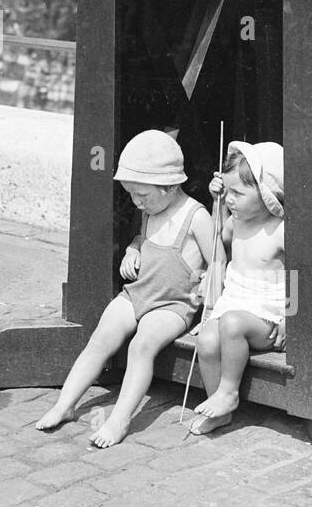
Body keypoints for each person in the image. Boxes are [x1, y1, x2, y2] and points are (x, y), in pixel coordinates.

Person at [35, 130, 218, 446]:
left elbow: (219, 260)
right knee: (100, 338)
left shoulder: (196, 216)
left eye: (142, 196)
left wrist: (209, 283)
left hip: (172, 305)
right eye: (132, 195)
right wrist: (133, 250)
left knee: (141, 345)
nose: (137, 203)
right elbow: (143, 239)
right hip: (138, 292)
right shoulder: (150, 210)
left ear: (170, 186)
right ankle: (64, 405)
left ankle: (119, 421)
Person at [190, 141, 286, 436]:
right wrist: (216, 201)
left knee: (230, 325)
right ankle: (216, 404)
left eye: (238, 194)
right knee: (207, 340)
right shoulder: (237, 220)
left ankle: (229, 394)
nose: (231, 200)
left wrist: (291, 318)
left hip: (265, 317)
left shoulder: (280, 230)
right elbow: (218, 233)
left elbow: (299, 273)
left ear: (266, 195)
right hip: (234, 302)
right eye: (227, 191)